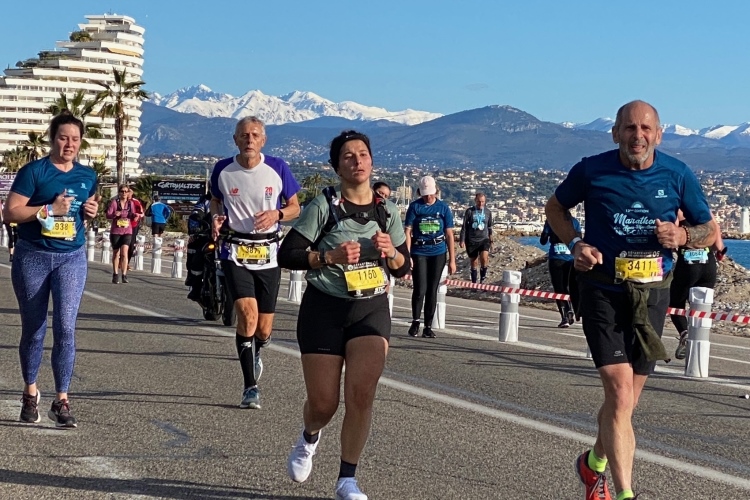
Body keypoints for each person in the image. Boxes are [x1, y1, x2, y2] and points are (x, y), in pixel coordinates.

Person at [545, 100, 715, 500]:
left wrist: (683, 236)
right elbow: (555, 208)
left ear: (658, 135)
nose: (637, 136)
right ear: (615, 133)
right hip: (602, 290)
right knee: (620, 393)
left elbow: (708, 228)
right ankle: (624, 494)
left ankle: (592, 463)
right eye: (629, 128)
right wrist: (576, 243)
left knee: (626, 402)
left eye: (645, 128)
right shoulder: (592, 170)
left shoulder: (677, 173)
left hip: (652, 293)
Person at [277, 130, 409, 500]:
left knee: (362, 395)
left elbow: (403, 267)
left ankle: (347, 479)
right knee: (324, 404)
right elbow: (287, 254)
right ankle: (309, 436)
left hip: (370, 308)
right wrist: (328, 257)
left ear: (372, 161)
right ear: (337, 166)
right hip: (325, 308)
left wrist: (391, 253)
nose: (357, 161)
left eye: (363, 154)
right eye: (348, 156)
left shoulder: (387, 211)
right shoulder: (324, 206)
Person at [2, 110, 99, 428]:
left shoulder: (87, 175)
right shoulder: (34, 172)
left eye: (75, 139)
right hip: (33, 256)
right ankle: (30, 392)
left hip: (71, 256)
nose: (69, 144)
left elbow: (87, 207)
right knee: (34, 328)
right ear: (52, 139)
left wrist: (91, 211)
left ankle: (62, 400)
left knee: (66, 328)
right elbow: (11, 212)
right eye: (63, 138)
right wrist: (47, 209)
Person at [210, 116, 301, 409]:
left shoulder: (277, 167)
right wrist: (216, 217)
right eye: (244, 135)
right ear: (235, 139)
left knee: (263, 328)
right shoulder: (222, 169)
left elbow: (295, 207)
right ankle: (250, 387)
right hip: (235, 250)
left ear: (263, 140)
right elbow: (215, 199)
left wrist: (277, 214)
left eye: (254, 135)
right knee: (247, 317)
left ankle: (257, 348)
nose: (249, 139)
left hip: (268, 253)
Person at [404, 175, 456, 338]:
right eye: (425, 194)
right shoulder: (415, 207)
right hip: (419, 250)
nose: (428, 197)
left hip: (438, 251)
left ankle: (428, 325)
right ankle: (415, 321)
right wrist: (407, 254)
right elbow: (408, 231)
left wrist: (452, 260)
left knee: (432, 290)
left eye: (431, 194)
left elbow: (449, 234)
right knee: (420, 289)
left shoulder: (443, 208)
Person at [670, 210, 725, 360]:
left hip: (688, 262)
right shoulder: (705, 210)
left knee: (675, 303)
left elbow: (673, 239)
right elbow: (717, 240)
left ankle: (685, 334)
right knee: (701, 306)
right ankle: (699, 345)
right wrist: (719, 252)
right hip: (708, 264)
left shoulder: (678, 211)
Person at [540, 215, 581, 328]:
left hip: (556, 258)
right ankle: (570, 309)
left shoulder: (551, 220)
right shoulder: (574, 222)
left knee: (559, 288)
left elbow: (543, 241)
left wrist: (548, 233)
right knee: (569, 287)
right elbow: (579, 239)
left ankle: (565, 316)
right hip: (570, 259)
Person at [459, 192, 494, 284]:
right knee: (474, 262)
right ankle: (474, 283)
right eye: (479, 201)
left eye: (483, 202)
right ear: (475, 201)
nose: (481, 204)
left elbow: (489, 227)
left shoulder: (488, 212)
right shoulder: (469, 211)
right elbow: (464, 227)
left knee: (484, 258)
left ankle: (482, 280)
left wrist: (491, 240)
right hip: (472, 240)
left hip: (484, 239)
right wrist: (462, 240)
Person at [105, 184, 136, 284]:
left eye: (126, 191)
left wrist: (135, 216)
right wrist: (114, 214)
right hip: (116, 231)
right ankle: (115, 274)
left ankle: (124, 275)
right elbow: (108, 215)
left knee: (124, 252)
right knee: (116, 253)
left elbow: (133, 215)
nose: (124, 193)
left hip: (127, 231)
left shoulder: (131, 203)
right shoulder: (114, 203)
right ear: (119, 192)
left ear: (128, 193)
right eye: (122, 191)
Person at [126, 189, 145, 268]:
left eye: (128, 192)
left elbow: (142, 213)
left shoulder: (136, 202)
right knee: (122, 244)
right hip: (122, 226)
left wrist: (138, 216)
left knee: (131, 245)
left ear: (131, 193)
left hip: (133, 226)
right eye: (124, 192)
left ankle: (126, 262)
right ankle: (121, 260)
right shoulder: (119, 201)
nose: (126, 193)